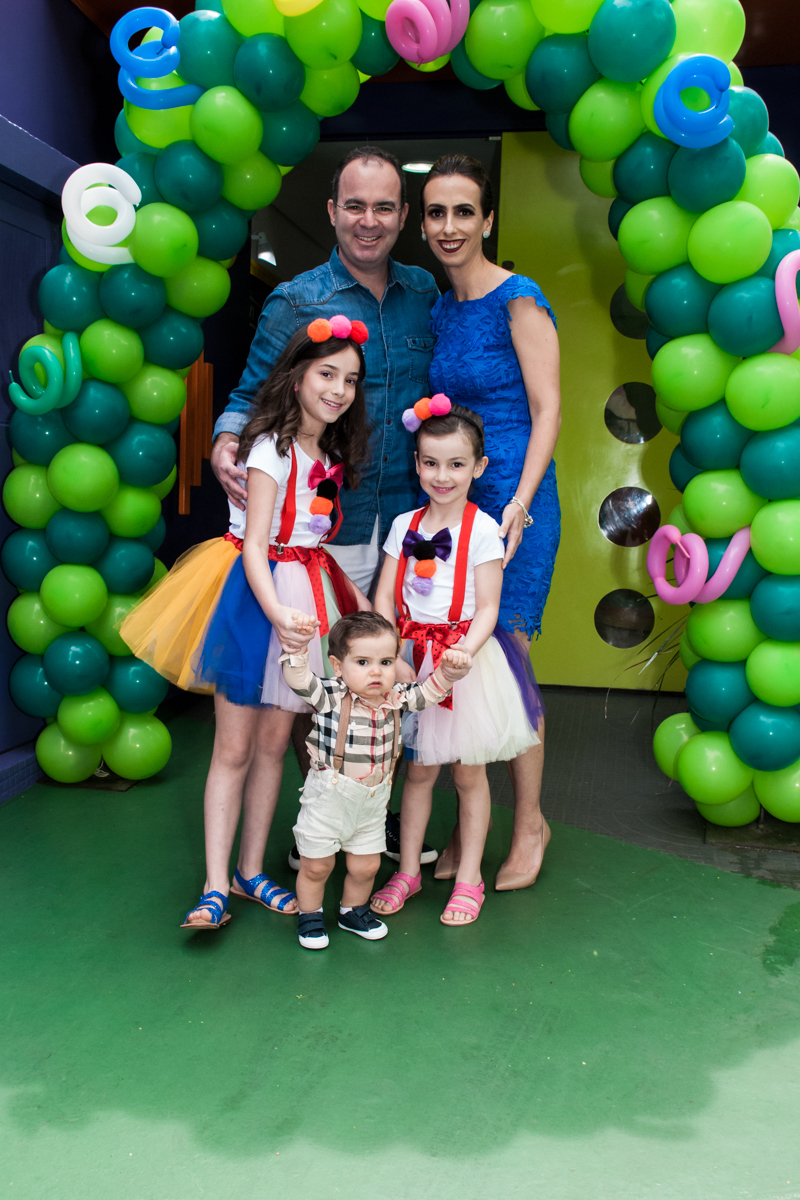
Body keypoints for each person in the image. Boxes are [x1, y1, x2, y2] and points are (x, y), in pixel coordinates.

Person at [212, 144, 441, 867]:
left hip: (408, 521)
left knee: (387, 672)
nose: (367, 221)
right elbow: (252, 391)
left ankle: (375, 823)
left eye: (382, 207)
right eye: (353, 206)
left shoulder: (425, 295)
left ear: (401, 216)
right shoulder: (296, 300)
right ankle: (320, 831)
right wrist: (224, 438)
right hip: (328, 527)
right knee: (328, 689)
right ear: (332, 211)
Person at [121, 318, 371, 929]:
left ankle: (250, 871)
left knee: (270, 746)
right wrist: (281, 614)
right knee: (232, 748)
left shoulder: (330, 453)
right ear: (296, 377)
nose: (339, 390)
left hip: (308, 594)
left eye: (351, 380)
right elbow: (256, 546)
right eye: (326, 374)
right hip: (254, 597)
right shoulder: (270, 448)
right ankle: (214, 885)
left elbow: (313, 539)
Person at [420, 154, 562, 893]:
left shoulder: (520, 299)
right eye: (436, 213)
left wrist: (517, 503)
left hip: (517, 506)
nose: (449, 227)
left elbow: (547, 411)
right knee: (455, 661)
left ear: (487, 221)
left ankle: (531, 819)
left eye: (462, 212)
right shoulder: (442, 309)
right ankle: (465, 821)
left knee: (506, 660)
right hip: (457, 501)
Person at [370, 402, 544, 927]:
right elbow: (383, 597)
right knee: (417, 772)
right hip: (411, 661)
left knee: (469, 776)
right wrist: (391, 654)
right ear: (416, 463)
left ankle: (469, 878)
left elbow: (489, 606)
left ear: (479, 467)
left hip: (463, 664)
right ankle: (407, 871)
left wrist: (461, 654)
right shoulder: (403, 524)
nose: (441, 476)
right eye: (430, 463)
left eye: (455, 464)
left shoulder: (486, 530)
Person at [280, 611, 470, 950]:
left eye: (385, 661)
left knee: (367, 865)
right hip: (329, 798)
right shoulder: (331, 697)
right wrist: (297, 649)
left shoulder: (397, 698)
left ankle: (352, 910)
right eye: (363, 661)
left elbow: (428, 694)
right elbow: (299, 680)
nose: (375, 671)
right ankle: (310, 914)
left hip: (373, 801)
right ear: (338, 667)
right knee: (316, 865)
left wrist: (448, 673)